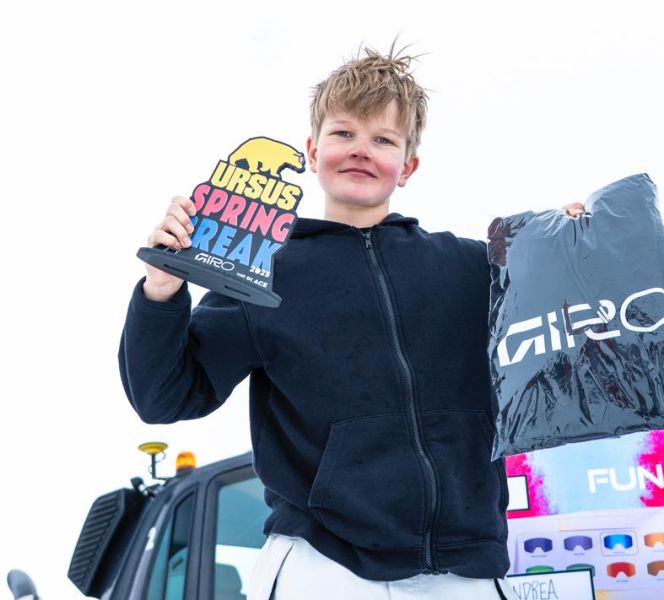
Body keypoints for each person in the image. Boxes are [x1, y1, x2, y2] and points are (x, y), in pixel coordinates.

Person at [120, 44, 583, 600]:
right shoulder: (262, 271)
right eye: (344, 133)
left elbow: (570, 351)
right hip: (324, 565)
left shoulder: (472, 269)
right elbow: (165, 396)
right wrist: (162, 289)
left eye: (383, 140)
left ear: (407, 166)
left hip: (466, 572)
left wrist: (580, 252)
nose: (361, 150)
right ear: (313, 151)